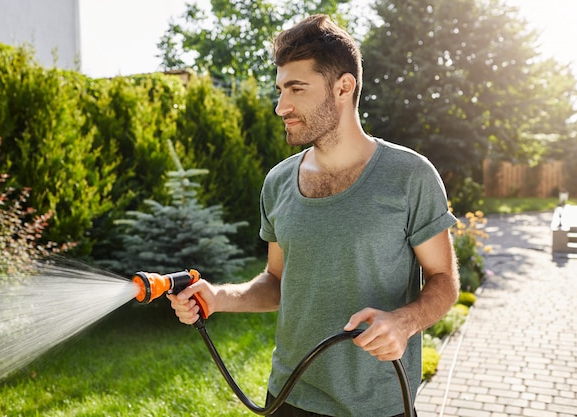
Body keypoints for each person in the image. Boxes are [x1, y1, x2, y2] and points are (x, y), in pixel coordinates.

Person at [167, 14, 460, 417]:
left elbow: (444, 281)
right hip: (289, 396)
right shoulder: (278, 182)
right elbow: (275, 282)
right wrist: (218, 298)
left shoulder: (409, 176)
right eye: (280, 89)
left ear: (344, 87)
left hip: (378, 404)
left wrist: (405, 322)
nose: (280, 106)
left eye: (296, 89)